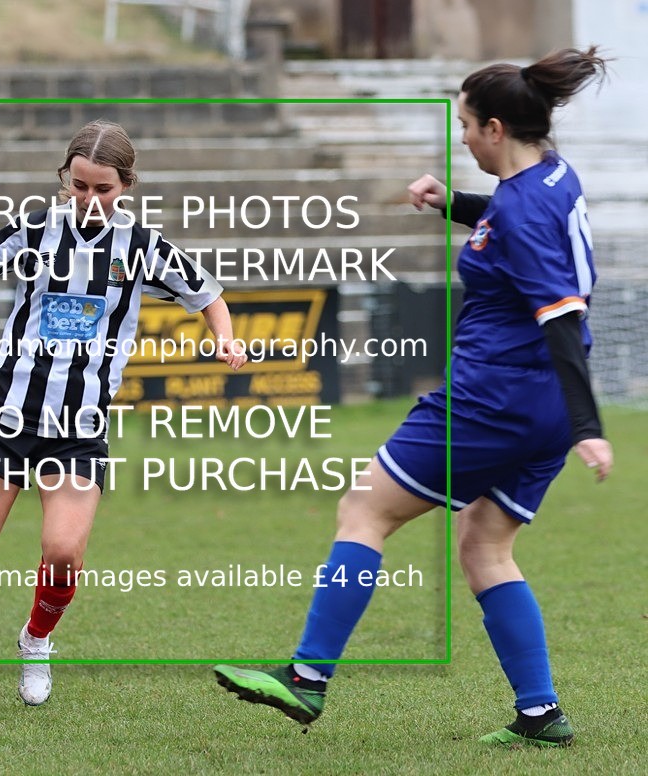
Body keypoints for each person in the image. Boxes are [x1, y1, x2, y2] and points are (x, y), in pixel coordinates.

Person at [214, 46, 613, 747]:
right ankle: (540, 713)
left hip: (492, 399)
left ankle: (306, 677)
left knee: (364, 510)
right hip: (541, 408)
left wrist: (592, 426)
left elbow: (560, 312)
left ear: (495, 129)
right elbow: (512, 224)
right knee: (486, 546)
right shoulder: (551, 175)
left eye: (466, 125)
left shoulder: (523, 209)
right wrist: (452, 203)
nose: (462, 138)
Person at [0, 119, 247, 711]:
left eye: (103, 189)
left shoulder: (143, 246)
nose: (89, 199)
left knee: (62, 553)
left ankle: (35, 640)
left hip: (79, 431)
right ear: (65, 178)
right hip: (6, 418)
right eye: (79, 186)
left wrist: (226, 339)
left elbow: (209, 295)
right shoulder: (33, 230)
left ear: (126, 186)